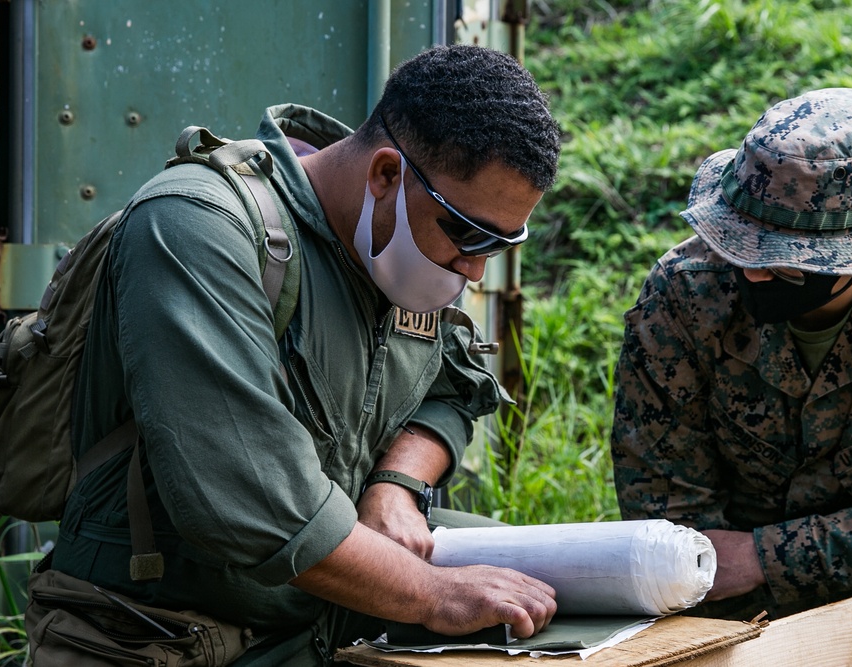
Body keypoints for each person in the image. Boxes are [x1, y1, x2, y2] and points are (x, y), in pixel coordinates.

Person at [44, 45, 562, 665]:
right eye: (468, 232)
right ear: (386, 175)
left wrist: (397, 484)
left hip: (324, 629)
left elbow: (454, 388)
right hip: (170, 633)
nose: (476, 269)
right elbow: (251, 505)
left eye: (501, 244)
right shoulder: (198, 226)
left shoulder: (395, 247)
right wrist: (432, 593)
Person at [610, 87, 852, 621]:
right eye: (739, 241)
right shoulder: (685, 295)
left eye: (785, 256)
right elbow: (668, 522)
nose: (751, 270)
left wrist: (767, 558)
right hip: (722, 613)